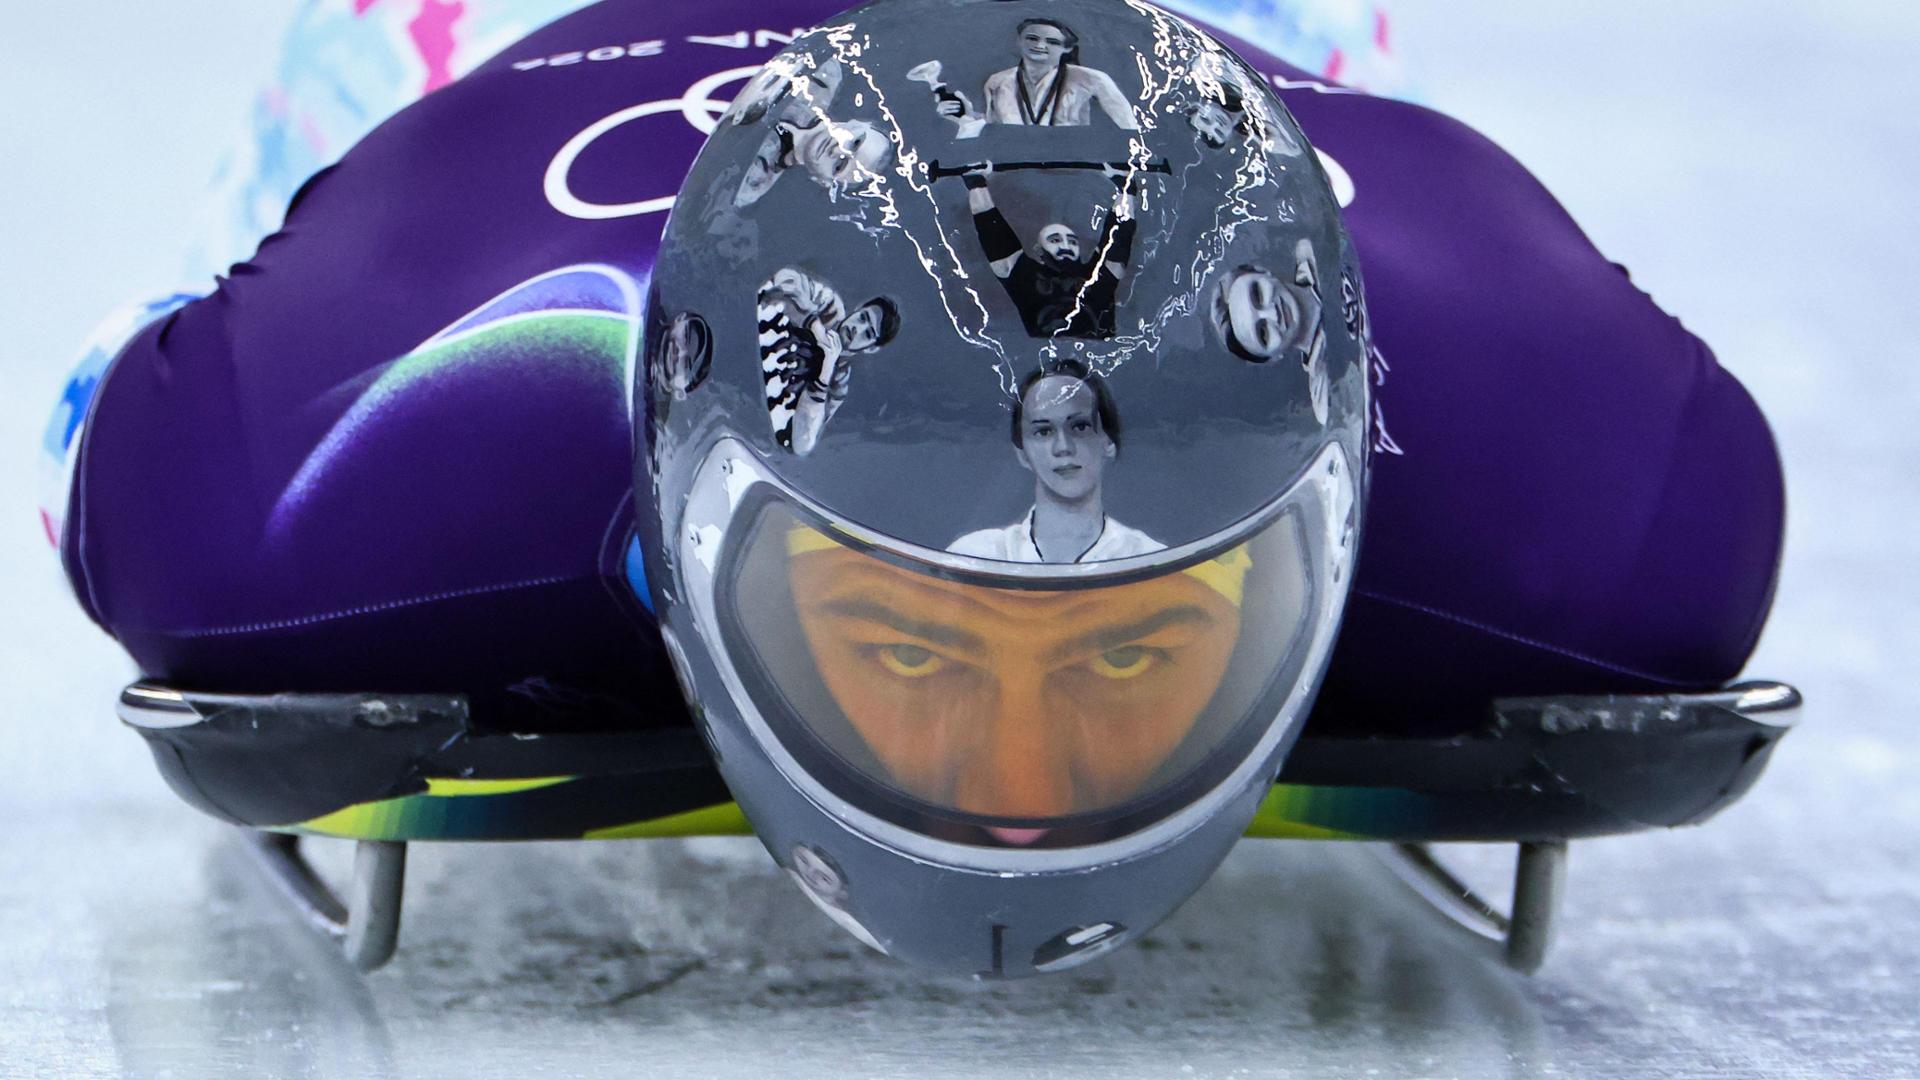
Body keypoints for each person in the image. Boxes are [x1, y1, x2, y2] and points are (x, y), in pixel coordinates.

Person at [949, 362, 1162, 563]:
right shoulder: (974, 558)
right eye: (1043, 431)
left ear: (1109, 442)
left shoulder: (1150, 560)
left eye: (1080, 427)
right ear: (1022, 453)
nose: (1063, 447)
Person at [961, 163, 1140, 339]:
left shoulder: (1095, 273)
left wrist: (1125, 188)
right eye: (1055, 240)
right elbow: (992, 231)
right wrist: (976, 184)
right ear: (1038, 249)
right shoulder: (1023, 275)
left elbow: (1119, 236)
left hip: (1097, 349)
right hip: (1047, 349)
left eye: (1072, 241)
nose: (1066, 246)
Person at [756, 267, 900, 455]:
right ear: (858, 309)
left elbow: (802, 443)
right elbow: (785, 277)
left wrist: (826, 370)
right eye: (862, 318)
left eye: (867, 334)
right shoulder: (829, 305)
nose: (856, 329)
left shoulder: (838, 384)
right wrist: (815, 326)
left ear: (871, 348)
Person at [936, 17, 1140, 137]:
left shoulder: (1094, 80)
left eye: (1052, 42)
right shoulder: (997, 82)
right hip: (1014, 168)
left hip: (1076, 169)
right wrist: (967, 117)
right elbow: (995, 129)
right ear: (1019, 41)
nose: (1040, 45)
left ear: (1067, 48)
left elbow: (1130, 131)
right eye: (1032, 38)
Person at [1209, 239, 1330, 423]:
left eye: (1257, 294)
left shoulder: (1312, 249)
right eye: (1263, 333)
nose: (1272, 314)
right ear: (1272, 357)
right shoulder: (1324, 400)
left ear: (1263, 272)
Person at [735, 115, 893, 208]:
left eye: (839, 166)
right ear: (857, 123)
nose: (836, 150)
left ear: (823, 181)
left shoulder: (752, 184)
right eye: (855, 143)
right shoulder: (823, 79)